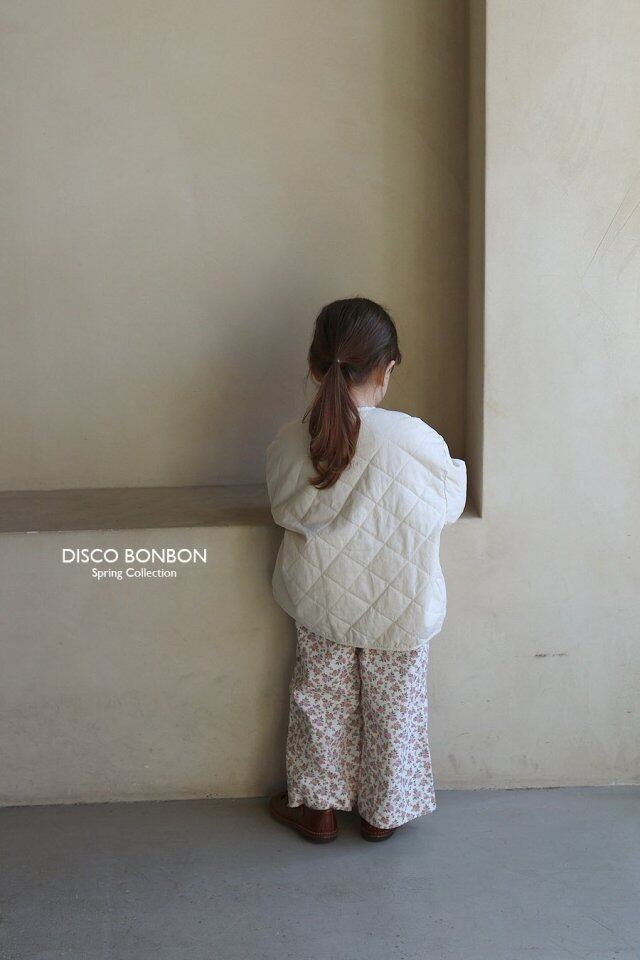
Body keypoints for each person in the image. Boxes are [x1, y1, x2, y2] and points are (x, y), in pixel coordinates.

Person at [265, 297, 466, 843]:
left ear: (315, 367)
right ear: (387, 368)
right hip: (402, 600)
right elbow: (446, 504)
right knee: (396, 704)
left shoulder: (292, 440)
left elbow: (284, 509)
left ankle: (318, 811)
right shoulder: (415, 437)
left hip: (321, 599)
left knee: (320, 701)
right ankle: (383, 814)